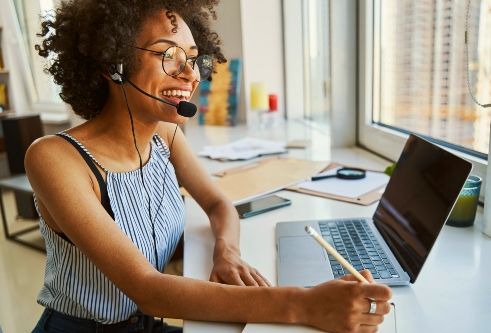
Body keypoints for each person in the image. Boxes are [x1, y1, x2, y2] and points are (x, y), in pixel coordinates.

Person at [26, 0, 392, 332]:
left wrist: (226, 251)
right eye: (167, 54)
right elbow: (148, 290)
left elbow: (219, 204)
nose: (191, 73)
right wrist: (304, 305)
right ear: (113, 64)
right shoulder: (56, 159)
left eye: (193, 57)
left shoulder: (165, 135)